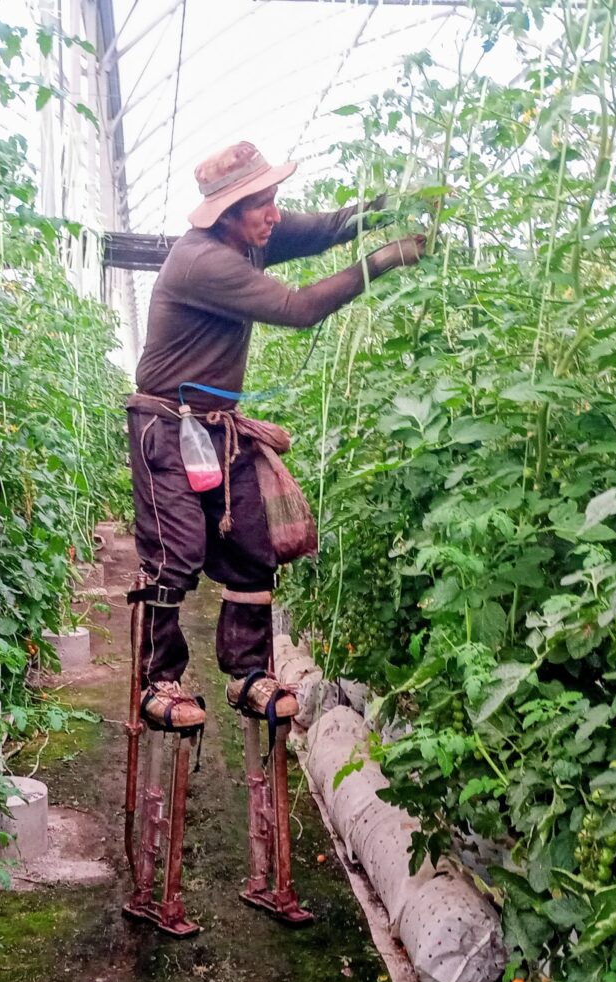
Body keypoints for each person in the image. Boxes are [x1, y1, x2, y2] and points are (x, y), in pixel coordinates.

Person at [124, 141, 425, 730]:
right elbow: (298, 308)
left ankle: (247, 673)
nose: (275, 213)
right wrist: (383, 260)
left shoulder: (253, 236)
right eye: (261, 203)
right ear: (227, 213)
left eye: (273, 198)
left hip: (220, 427)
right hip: (165, 424)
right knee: (175, 553)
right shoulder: (202, 262)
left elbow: (327, 228)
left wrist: (393, 206)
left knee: (251, 543)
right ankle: (157, 681)